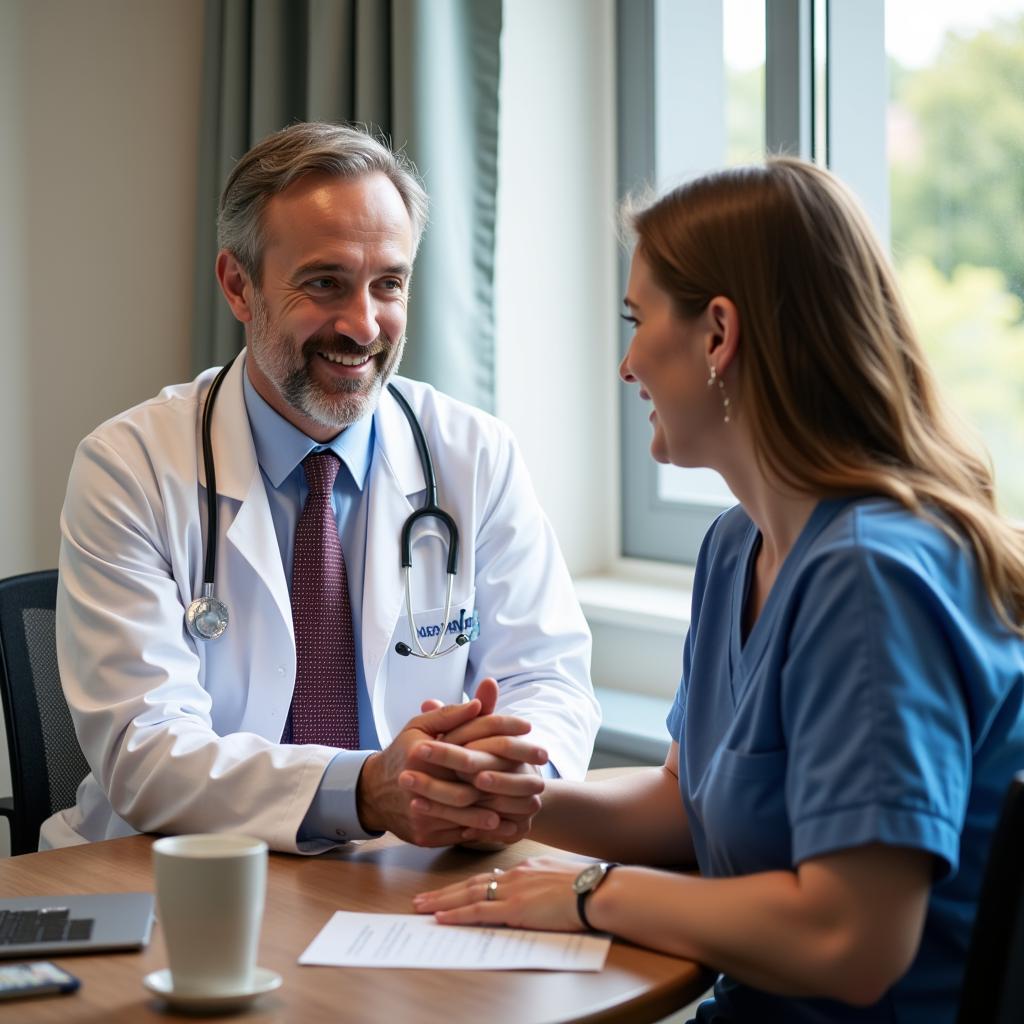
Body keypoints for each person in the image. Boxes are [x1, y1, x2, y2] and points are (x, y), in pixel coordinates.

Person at [412, 159, 1024, 1022]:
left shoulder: (870, 576)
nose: (626, 365)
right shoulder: (740, 543)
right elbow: (684, 804)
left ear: (718, 334)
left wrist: (588, 892)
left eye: (638, 320)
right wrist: (516, 803)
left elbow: (854, 940)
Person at [44, 122, 599, 854]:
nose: (363, 325)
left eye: (389, 284)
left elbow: (550, 681)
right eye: (325, 283)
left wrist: (503, 777)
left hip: (414, 872)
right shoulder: (130, 466)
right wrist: (365, 790)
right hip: (180, 875)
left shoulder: (475, 455)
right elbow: (145, 751)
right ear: (238, 286)